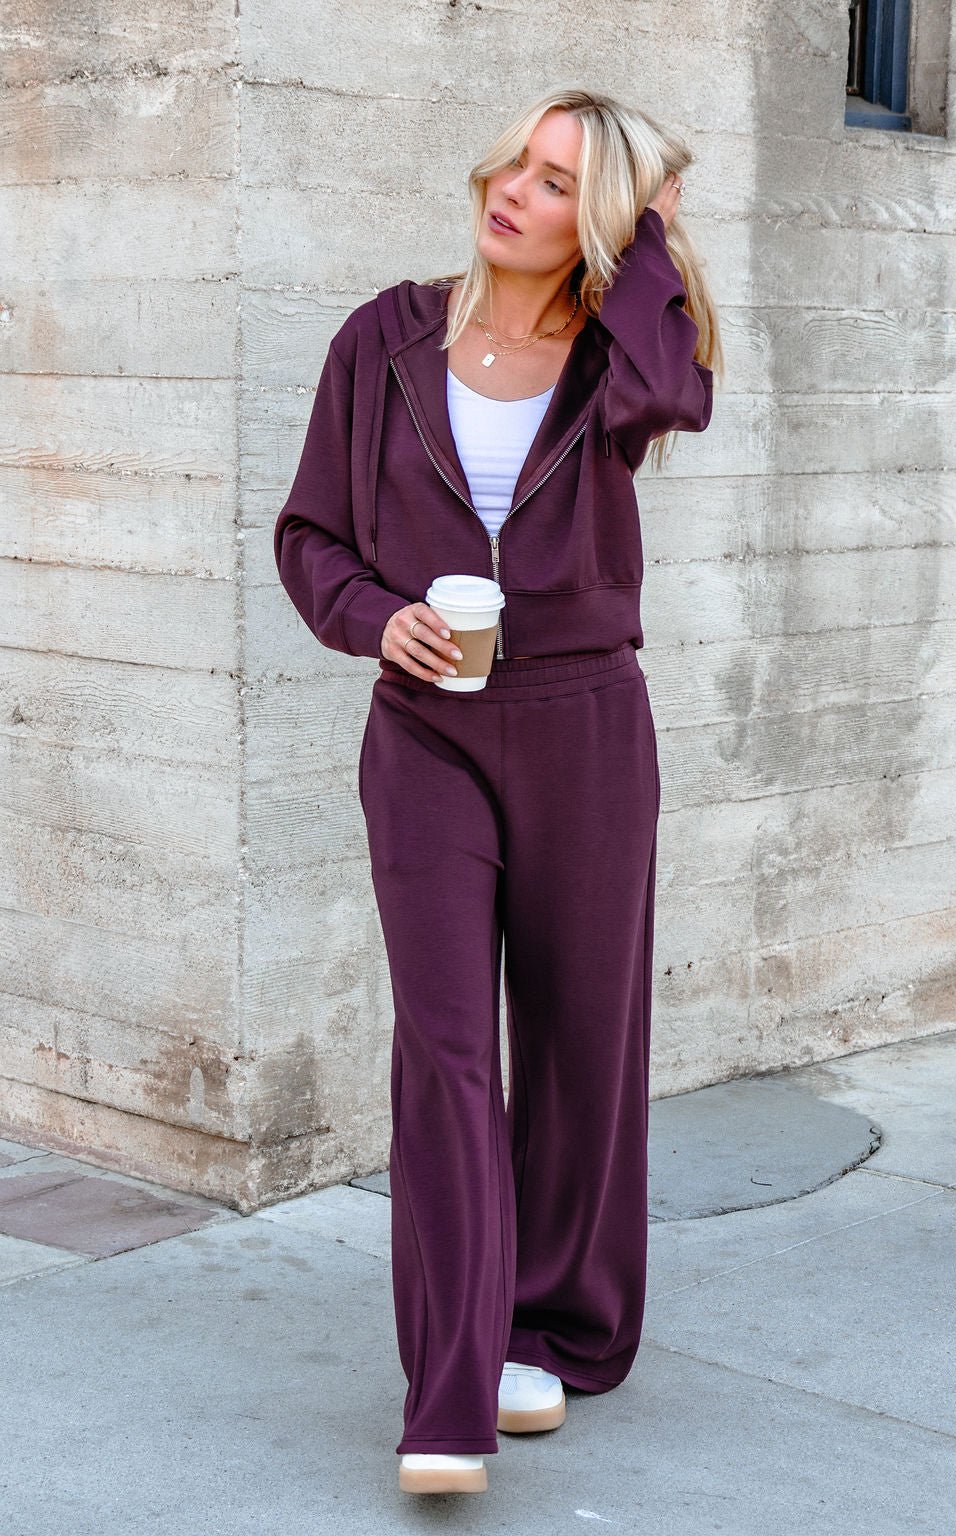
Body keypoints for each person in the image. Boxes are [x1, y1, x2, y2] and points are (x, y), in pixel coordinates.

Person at [273, 85, 721, 1496]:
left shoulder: (617, 358)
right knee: (450, 1054)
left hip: (587, 722)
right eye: (516, 163)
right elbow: (308, 534)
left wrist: (645, 236)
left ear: (595, 223)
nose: (511, 190)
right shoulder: (385, 339)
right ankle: (451, 1388)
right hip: (428, 730)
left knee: (585, 1045)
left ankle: (561, 1330)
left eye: (555, 181)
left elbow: (681, 393)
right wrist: (371, 617)